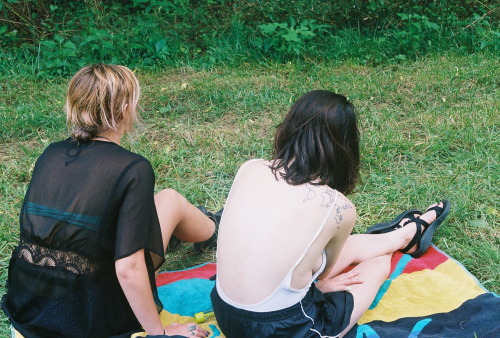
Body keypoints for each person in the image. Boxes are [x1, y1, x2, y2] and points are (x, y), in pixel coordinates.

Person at [211, 90, 450, 337]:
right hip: (280, 329)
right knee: (379, 263)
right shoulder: (338, 206)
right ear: (344, 145)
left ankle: (405, 235)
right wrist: (321, 287)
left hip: (225, 312)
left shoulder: (251, 167)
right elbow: (321, 274)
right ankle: (406, 237)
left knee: (350, 246)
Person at [1, 64, 215, 338]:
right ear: (126, 107)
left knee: (169, 200)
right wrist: (159, 333)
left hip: (31, 306)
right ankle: (215, 229)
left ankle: (210, 227)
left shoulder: (51, 153)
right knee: (170, 200)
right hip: (90, 316)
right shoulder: (132, 167)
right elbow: (128, 268)